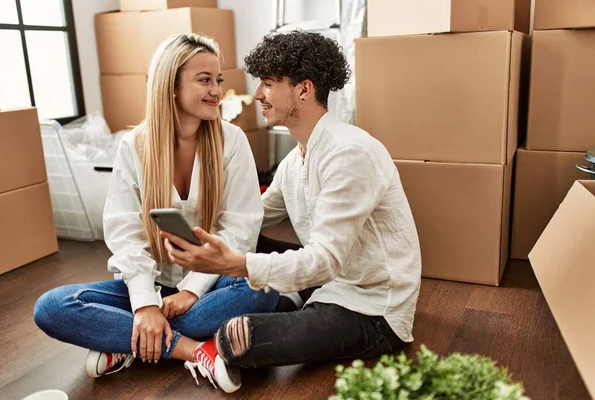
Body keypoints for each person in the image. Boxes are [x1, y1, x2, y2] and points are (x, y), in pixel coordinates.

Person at [160, 30, 422, 392]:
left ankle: (154, 336)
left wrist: (233, 265)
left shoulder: (349, 153)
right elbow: (251, 217)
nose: (257, 95)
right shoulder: (294, 161)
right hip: (328, 282)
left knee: (239, 338)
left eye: (267, 83)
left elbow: (326, 260)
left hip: (372, 306)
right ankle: (278, 299)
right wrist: (192, 229)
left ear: (303, 89)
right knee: (246, 241)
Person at [33, 33, 278, 393]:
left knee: (265, 286)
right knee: (52, 307)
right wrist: (146, 304)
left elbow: (239, 231)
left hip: (210, 284)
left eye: (218, 80)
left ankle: (129, 342)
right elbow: (125, 232)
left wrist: (191, 292)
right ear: (172, 86)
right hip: (150, 281)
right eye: (204, 80)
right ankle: (193, 348)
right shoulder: (134, 146)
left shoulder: (232, 141)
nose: (217, 91)